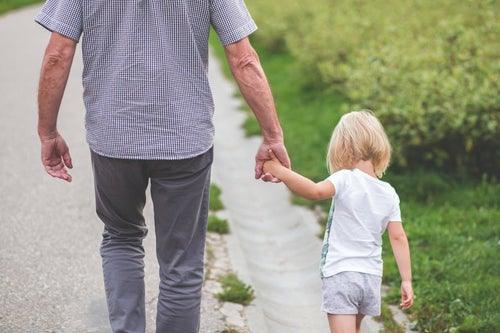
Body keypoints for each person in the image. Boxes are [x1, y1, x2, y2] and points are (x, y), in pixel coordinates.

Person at [34, 0, 290, 332]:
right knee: (181, 263)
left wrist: (47, 131)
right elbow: (243, 58)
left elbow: (58, 54)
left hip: (114, 138)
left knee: (121, 237)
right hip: (184, 139)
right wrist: (272, 134)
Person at [263, 110, 414, 333]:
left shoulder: (345, 179)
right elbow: (398, 237)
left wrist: (280, 171)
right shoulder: (389, 192)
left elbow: (314, 191)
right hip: (371, 278)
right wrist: (406, 280)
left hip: (342, 274)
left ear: (343, 147)